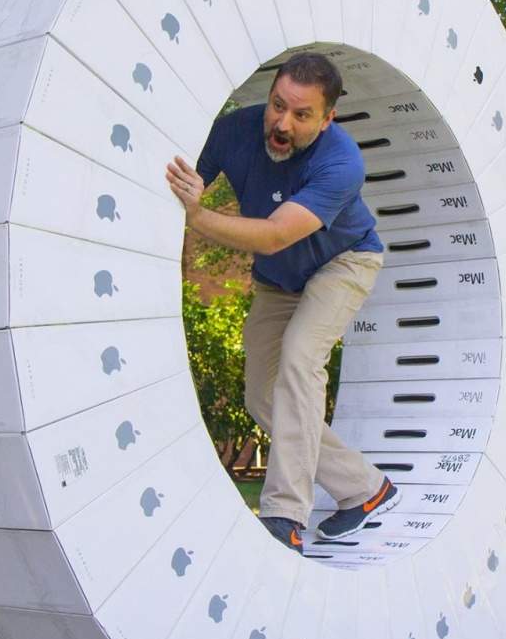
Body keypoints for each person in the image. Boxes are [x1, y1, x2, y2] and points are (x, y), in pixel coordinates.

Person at [165, 52, 398, 553]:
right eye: (277, 106)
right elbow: (192, 178)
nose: (281, 123)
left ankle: (285, 513)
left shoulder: (341, 162)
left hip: (342, 263)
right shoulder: (235, 130)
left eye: (301, 115)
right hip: (279, 280)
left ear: (327, 117)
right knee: (262, 397)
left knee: (299, 359)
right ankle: (365, 487)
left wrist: (198, 217)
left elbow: (273, 236)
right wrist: (191, 191)